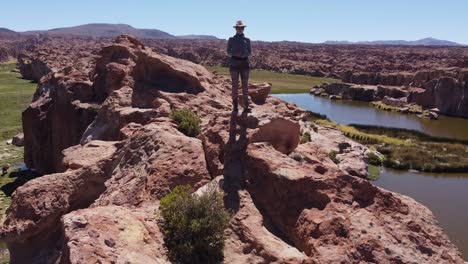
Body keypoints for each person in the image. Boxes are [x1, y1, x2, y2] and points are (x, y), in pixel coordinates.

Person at [227, 20, 251, 113]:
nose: (240, 29)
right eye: (238, 27)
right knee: (235, 86)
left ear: (244, 28)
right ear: (235, 29)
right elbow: (228, 51)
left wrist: (244, 55)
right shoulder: (231, 39)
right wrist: (237, 54)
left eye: (242, 27)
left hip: (245, 64)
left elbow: (249, 52)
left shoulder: (247, 40)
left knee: (245, 85)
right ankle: (235, 107)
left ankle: (246, 107)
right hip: (234, 64)